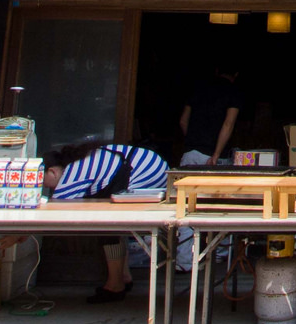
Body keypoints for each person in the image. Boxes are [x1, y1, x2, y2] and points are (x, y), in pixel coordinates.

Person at [42, 139, 171, 303]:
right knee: (112, 225)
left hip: (146, 174)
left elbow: (56, 208)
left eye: (44, 182)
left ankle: (115, 286)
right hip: (152, 168)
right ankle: (123, 277)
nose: (47, 187)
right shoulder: (82, 159)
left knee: (108, 225)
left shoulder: (72, 173)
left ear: (52, 172)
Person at [178, 68, 244, 167]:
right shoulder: (233, 92)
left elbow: (183, 121)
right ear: (236, 74)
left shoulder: (198, 88)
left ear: (217, 71)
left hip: (190, 153)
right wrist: (216, 154)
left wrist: (193, 140)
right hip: (212, 156)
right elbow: (228, 124)